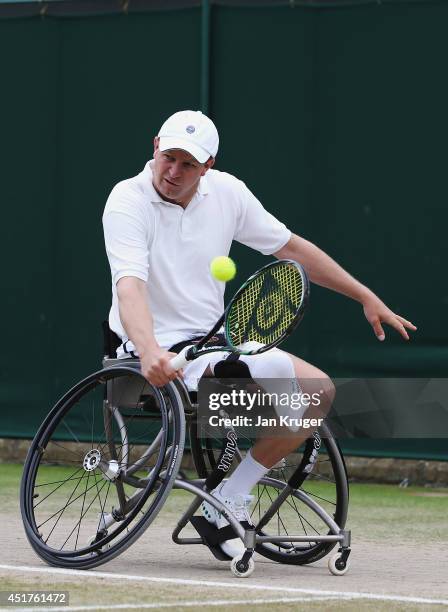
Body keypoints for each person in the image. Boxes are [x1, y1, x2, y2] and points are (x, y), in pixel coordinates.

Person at [103, 110, 416, 558]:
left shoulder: (228, 193)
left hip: (212, 346)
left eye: (187, 164)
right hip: (147, 351)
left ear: (207, 165)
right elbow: (129, 284)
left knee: (317, 393)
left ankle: (226, 501)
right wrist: (151, 350)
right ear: (155, 146)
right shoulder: (126, 200)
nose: (173, 172)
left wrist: (364, 295)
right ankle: (225, 492)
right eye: (168, 157)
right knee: (275, 398)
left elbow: (290, 247)